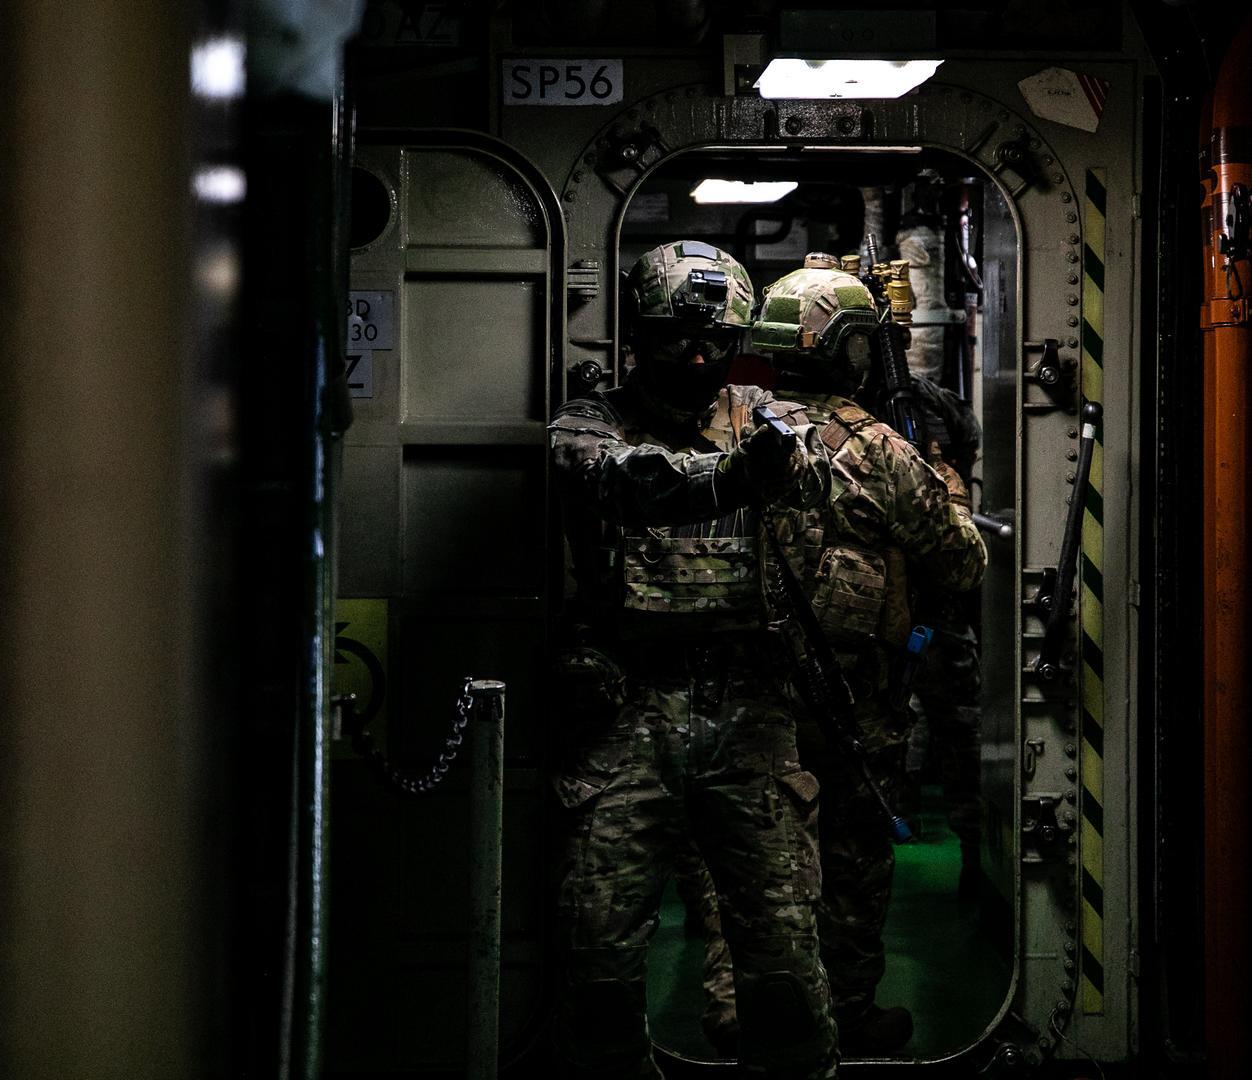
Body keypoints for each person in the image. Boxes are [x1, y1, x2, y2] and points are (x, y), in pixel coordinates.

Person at [547, 241, 839, 1079]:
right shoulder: (588, 423)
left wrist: (784, 464)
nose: (700, 356)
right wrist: (732, 479)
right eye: (678, 336)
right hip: (626, 717)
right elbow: (622, 482)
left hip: (748, 714)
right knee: (599, 960)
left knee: (782, 960)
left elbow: (813, 476)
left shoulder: (765, 416)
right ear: (639, 335)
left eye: (717, 339)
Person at [690, 255, 988, 1056]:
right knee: (851, 858)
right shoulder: (883, 450)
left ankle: (736, 1009)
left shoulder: (722, 427)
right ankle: (849, 1015)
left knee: (740, 856)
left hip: (737, 698)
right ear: (853, 347)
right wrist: (953, 492)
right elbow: (962, 565)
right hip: (853, 703)